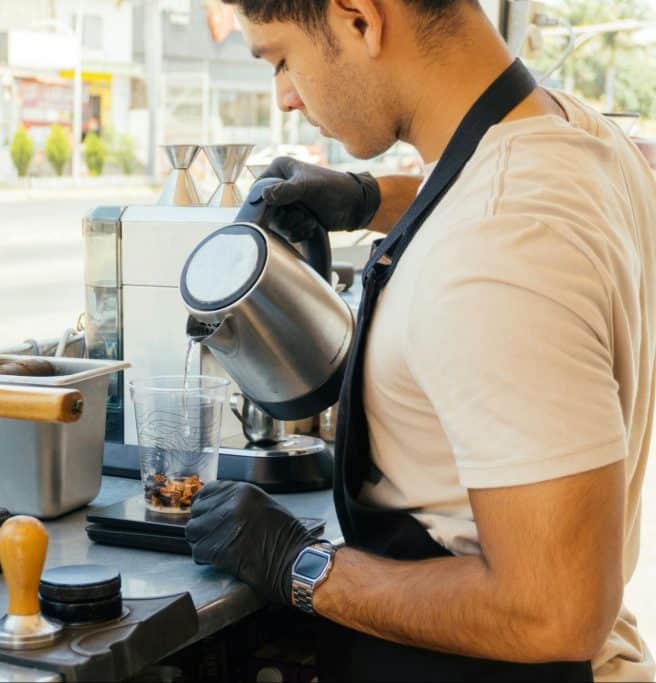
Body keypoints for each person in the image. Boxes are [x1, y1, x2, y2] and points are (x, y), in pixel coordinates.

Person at [183, 1, 656, 681]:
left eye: (282, 57)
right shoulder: (574, 132)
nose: (284, 95)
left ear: (359, 17)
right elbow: (482, 182)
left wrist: (301, 565)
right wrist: (367, 196)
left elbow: (553, 610)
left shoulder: (497, 250)